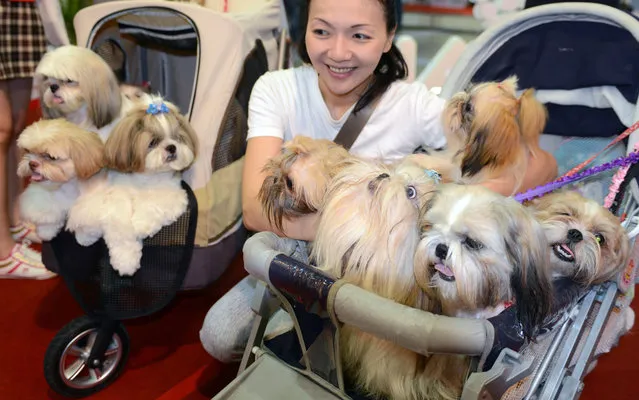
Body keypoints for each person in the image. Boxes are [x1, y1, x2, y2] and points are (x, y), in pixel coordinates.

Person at [200, 0, 557, 362]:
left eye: (359, 35)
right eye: (322, 31)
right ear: (303, 28)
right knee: (220, 335)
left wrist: (461, 198)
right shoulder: (276, 89)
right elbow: (255, 210)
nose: (338, 52)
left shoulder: (413, 105)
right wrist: (367, 229)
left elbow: (541, 167)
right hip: (295, 243)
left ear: (388, 37)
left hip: (384, 269)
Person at [0, 0, 55, 280]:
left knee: (17, 123)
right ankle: (2, 252)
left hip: (19, 9)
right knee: (2, 127)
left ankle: (13, 219)